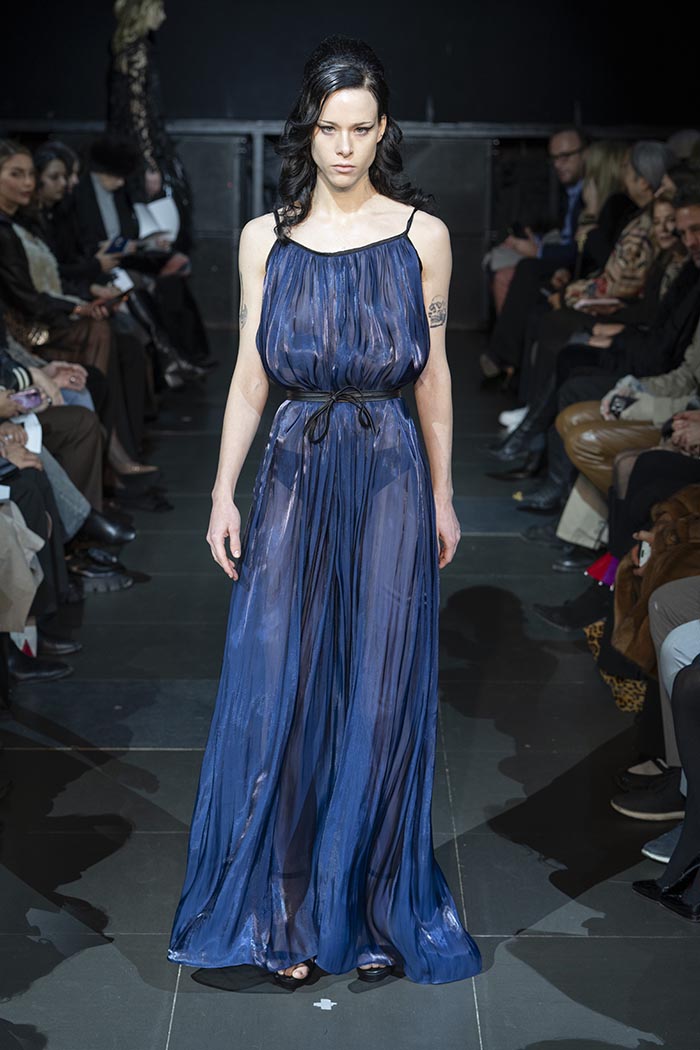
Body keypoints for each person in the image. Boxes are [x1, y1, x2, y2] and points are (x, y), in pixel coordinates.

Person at [168, 35, 481, 987]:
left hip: (387, 468)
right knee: (287, 683)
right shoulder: (264, 238)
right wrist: (221, 491)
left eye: (361, 129)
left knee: (379, 683)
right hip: (295, 472)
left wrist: (443, 491)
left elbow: (433, 378)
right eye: (329, 128)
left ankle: (370, 906)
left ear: (384, 131)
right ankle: (284, 906)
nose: (344, 147)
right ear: (306, 129)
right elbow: (249, 377)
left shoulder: (423, 236)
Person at [479, 127, 586, 380]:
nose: (559, 164)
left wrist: (539, 250)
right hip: (559, 252)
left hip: (573, 263)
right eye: (554, 158)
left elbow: (581, 248)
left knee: (523, 269)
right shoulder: (569, 192)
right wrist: (535, 242)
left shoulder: (589, 192)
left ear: (585, 154)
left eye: (566, 156)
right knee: (502, 264)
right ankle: (506, 360)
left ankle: (504, 359)